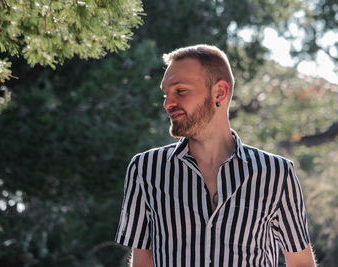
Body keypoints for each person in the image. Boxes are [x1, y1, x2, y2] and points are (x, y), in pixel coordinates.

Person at [115, 44, 316, 267]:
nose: (167, 103)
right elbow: (143, 261)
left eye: (180, 91)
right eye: (166, 93)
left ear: (219, 92)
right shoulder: (145, 170)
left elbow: (301, 263)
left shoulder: (277, 174)